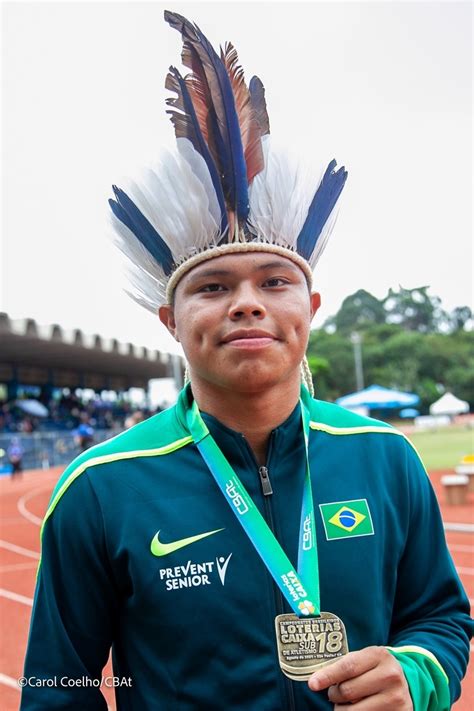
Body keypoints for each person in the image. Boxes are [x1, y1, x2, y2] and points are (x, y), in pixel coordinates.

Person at [21, 11, 471, 711]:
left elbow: (442, 618)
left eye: (274, 281)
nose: (247, 303)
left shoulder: (386, 458)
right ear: (171, 319)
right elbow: (59, 687)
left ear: (310, 306)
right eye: (213, 286)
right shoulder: (99, 489)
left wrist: (414, 672)